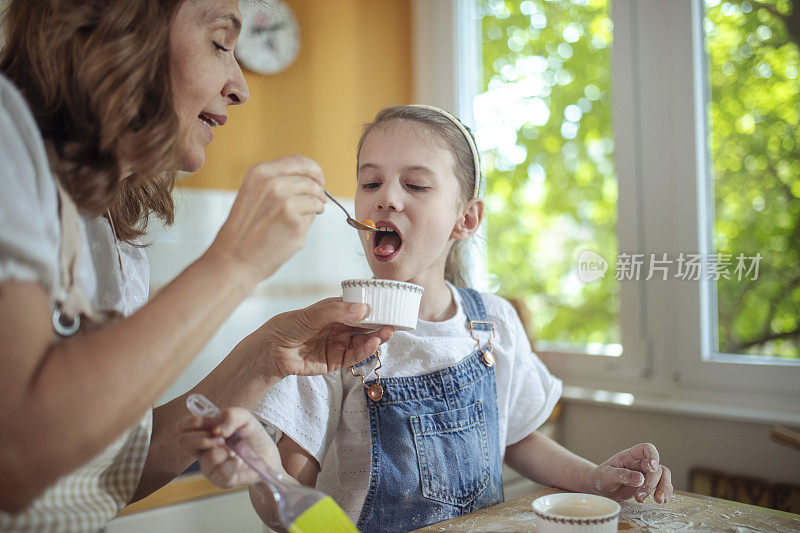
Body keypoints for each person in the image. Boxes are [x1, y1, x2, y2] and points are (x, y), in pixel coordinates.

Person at [179, 105, 674, 531]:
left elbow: (517, 436)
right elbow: (286, 499)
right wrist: (262, 470)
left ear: (467, 218)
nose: (386, 197)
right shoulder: (325, 341)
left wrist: (595, 479)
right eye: (370, 182)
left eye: (415, 184)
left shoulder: (493, 323)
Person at [0, 1, 392, 529]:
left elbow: (108, 470)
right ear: (121, 26)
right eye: (220, 43)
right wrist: (234, 262)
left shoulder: (103, 225)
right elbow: (17, 461)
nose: (241, 86)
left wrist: (267, 356)